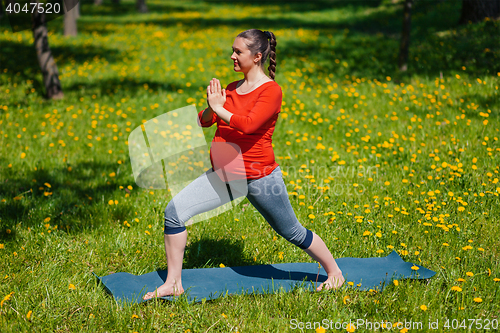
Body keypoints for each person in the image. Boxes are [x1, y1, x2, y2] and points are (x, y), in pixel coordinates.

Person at [143, 29, 344, 300]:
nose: (232, 56)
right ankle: (173, 283)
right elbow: (206, 121)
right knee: (174, 213)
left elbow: (249, 126)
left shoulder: (271, 91)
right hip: (225, 176)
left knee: (292, 231)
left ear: (258, 56)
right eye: (233, 50)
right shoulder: (232, 88)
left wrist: (220, 108)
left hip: (259, 177)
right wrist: (211, 106)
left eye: (238, 51)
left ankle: (334, 272)